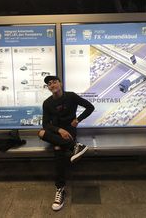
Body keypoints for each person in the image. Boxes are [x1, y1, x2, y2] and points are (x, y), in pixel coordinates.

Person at [38, 75, 95, 211]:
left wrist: (78, 119)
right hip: (57, 132)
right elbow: (45, 124)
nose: (52, 85)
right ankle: (75, 146)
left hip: (70, 132)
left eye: (54, 82)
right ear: (48, 88)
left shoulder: (71, 96)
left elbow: (90, 107)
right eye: (49, 84)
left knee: (58, 149)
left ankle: (60, 189)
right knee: (40, 132)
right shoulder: (47, 103)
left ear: (60, 84)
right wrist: (59, 129)